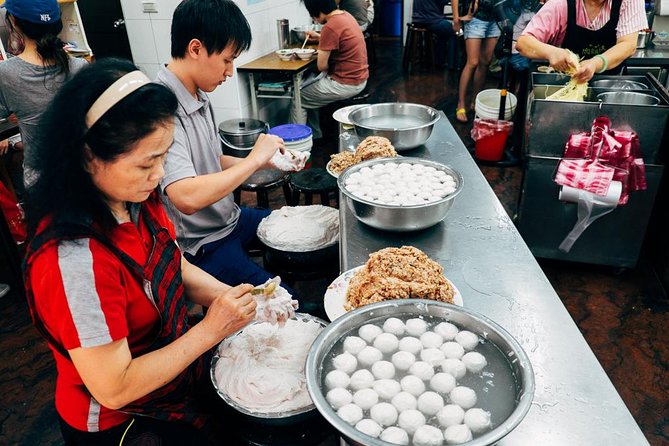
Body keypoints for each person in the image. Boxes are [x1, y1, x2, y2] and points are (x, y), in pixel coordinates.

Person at [24, 58, 257, 445]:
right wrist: (212, 328)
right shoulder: (74, 259)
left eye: (164, 156)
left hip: (169, 371)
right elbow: (115, 387)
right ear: (87, 157)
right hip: (122, 418)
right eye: (148, 162)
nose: (161, 174)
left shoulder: (133, 199)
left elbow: (170, 263)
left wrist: (224, 295)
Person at [155, 0, 291, 293]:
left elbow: (212, 160)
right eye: (227, 60)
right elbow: (185, 196)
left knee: (299, 229)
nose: (230, 72)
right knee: (285, 303)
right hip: (201, 242)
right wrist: (252, 160)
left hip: (231, 218)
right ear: (195, 49)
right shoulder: (161, 109)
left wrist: (265, 161)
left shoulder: (199, 93)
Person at [0, 0, 87, 184]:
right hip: (86, 175)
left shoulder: (6, 74)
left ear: (13, 22)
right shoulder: (81, 67)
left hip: (43, 184)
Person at [516, 0, 647, 83]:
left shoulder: (629, 1)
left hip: (610, 84)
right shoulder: (561, 3)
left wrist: (594, 63)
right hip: (568, 83)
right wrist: (552, 52)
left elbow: (628, 45)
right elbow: (524, 43)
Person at [291, 0, 369, 139]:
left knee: (299, 97)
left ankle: (298, 144)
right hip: (360, 78)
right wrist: (321, 37)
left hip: (346, 83)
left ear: (318, 10)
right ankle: (315, 135)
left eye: (313, 15)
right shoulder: (346, 16)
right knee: (308, 93)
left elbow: (322, 66)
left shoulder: (330, 26)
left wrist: (323, 42)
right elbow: (341, 38)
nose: (314, 19)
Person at [452, 0, 501, 122]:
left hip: (495, 19)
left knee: (485, 62)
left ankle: (475, 101)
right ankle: (461, 105)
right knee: (472, 62)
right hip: (475, 19)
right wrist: (456, 19)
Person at [411, 0, 456, 68]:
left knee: (443, 32)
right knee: (454, 30)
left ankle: (438, 60)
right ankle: (453, 65)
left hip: (418, 19)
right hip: (430, 20)